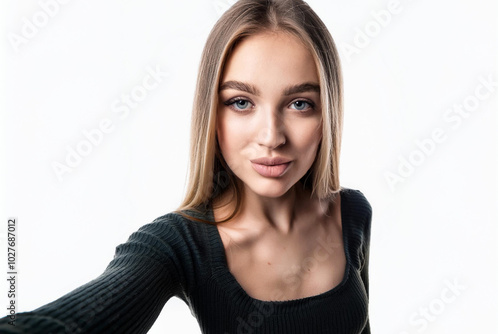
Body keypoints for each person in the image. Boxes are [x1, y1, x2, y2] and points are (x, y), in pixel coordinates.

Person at [0, 0, 372, 333]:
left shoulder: (352, 213)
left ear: (329, 114)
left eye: (300, 104)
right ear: (211, 113)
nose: (272, 137)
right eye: (241, 102)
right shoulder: (177, 245)